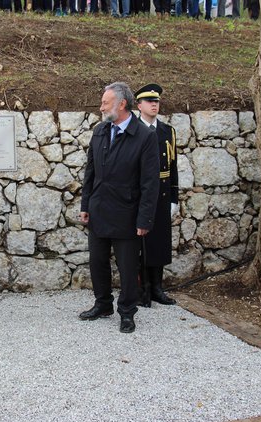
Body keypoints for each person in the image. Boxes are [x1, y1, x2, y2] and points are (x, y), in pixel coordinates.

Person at [79, 82, 160, 333]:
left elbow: (150, 182)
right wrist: (85, 205)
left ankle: (127, 311)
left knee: (127, 267)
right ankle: (103, 304)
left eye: (105, 102)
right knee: (97, 261)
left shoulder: (145, 136)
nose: (101, 107)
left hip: (127, 213)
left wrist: (144, 220)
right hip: (99, 210)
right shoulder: (100, 131)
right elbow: (90, 172)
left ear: (121, 104)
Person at [134, 83, 178, 306]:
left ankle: (157, 288)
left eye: (157, 101)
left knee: (160, 241)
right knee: (141, 244)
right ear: (139, 105)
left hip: (161, 193)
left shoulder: (167, 131)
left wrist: (173, 198)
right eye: (150, 101)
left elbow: (173, 167)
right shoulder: (134, 129)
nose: (154, 105)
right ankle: (142, 289)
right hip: (140, 193)